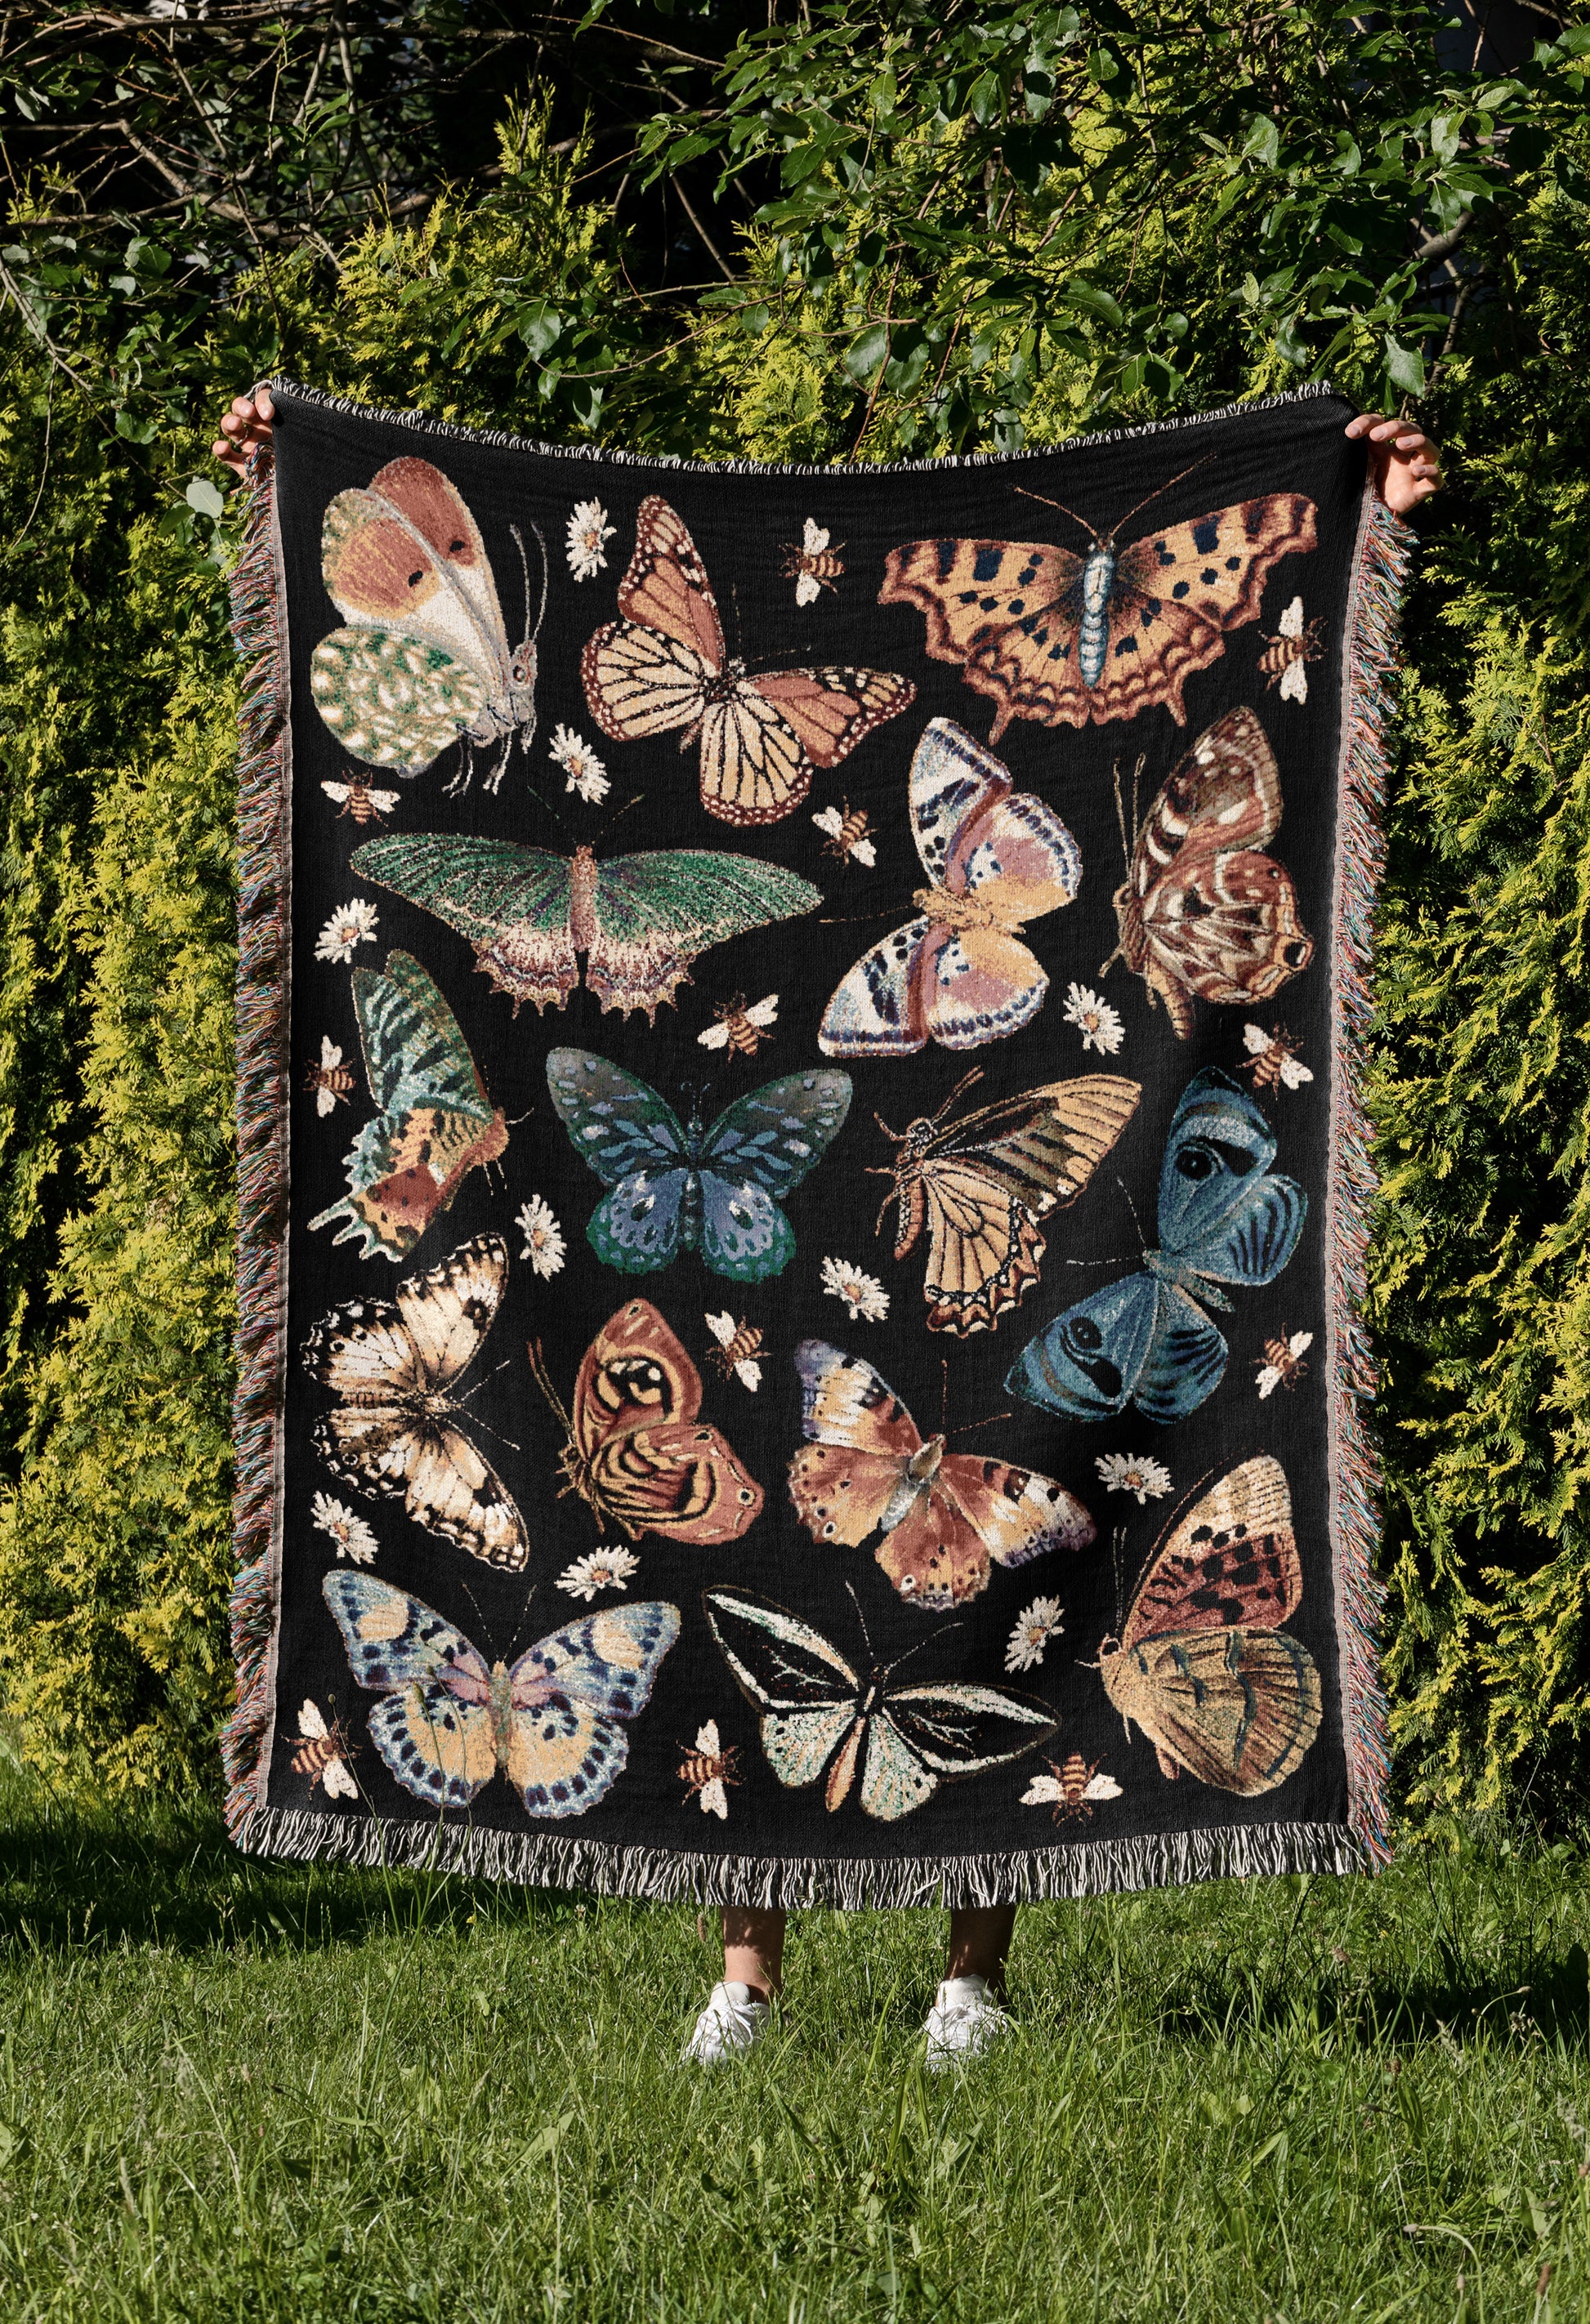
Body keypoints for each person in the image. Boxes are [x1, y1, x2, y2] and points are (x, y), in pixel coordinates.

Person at [213, 386, 1440, 2069]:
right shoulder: (755, 630)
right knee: (745, 1529)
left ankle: (970, 1972)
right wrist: (295, 471)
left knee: (1022, 1474)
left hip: (975, 1070)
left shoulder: (983, 620)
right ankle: (747, 1972)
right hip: (771, 1091)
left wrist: (1349, 493)